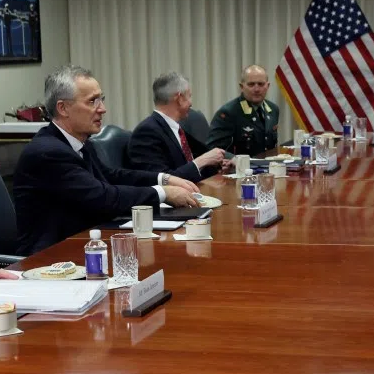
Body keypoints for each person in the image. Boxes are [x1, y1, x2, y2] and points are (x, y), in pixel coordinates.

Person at [14, 65, 200, 256]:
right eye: (92, 101)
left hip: (85, 244)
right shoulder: (48, 152)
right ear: (63, 108)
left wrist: (165, 179)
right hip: (50, 260)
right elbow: (101, 197)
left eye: (101, 100)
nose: (102, 109)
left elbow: (112, 176)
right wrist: (163, 193)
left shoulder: (80, 142)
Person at [128, 72, 229, 182]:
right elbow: (162, 180)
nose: (191, 103)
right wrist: (201, 161)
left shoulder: (177, 130)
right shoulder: (146, 133)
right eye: (189, 96)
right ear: (179, 98)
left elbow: (195, 164)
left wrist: (220, 166)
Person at [207, 65, 280, 156]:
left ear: (268, 86)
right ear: (241, 86)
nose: (256, 89)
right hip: (240, 168)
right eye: (251, 84)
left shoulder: (273, 109)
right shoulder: (229, 112)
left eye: (261, 84)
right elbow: (213, 149)